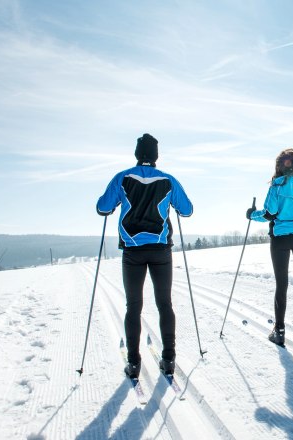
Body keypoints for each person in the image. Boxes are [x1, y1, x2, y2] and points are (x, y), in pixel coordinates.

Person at [96, 133, 193, 379]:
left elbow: (102, 208)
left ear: (138, 154)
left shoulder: (122, 177)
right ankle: (169, 359)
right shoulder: (168, 180)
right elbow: (187, 210)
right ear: (156, 155)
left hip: (132, 252)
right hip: (161, 250)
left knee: (133, 306)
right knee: (165, 304)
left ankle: (134, 362)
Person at [247, 148, 293, 346]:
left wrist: (251, 214)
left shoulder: (277, 185)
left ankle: (279, 331)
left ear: (279, 165)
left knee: (282, 284)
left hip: (281, 238)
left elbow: (270, 213)